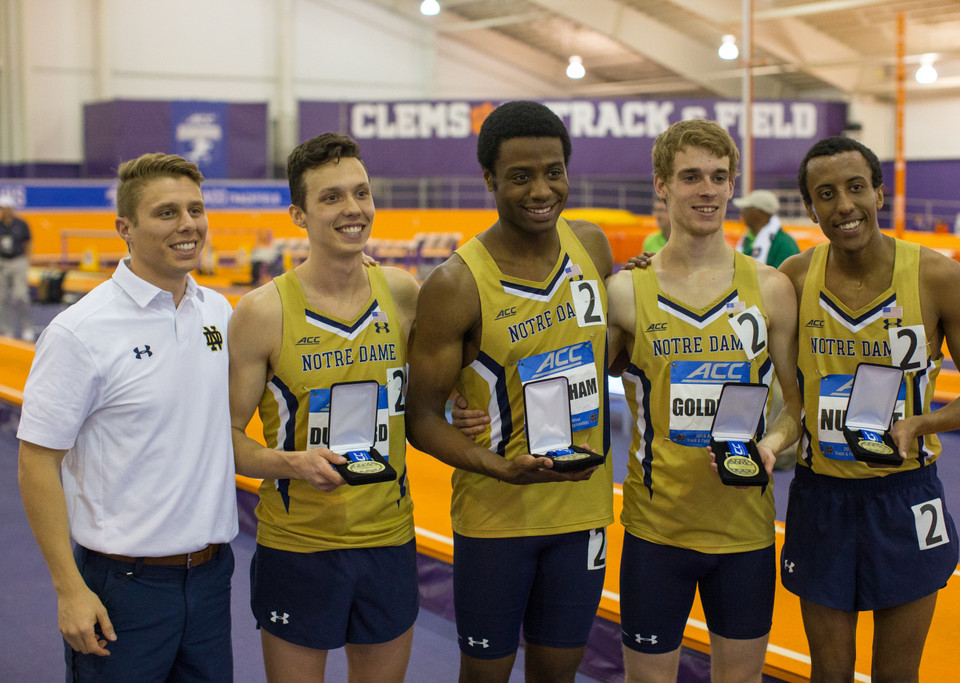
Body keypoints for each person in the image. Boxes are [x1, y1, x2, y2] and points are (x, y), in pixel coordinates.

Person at [405, 100, 614, 683]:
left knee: (559, 673)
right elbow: (419, 417)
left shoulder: (593, 249)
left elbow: (613, 345)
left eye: (554, 172)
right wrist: (494, 465)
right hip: (497, 519)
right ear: (490, 180)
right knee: (486, 675)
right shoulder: (455, 283)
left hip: (583, 510)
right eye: (520, 176)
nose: (541, 189)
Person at [778, 136, 960, 680]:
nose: (844, 206)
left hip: (905, 495)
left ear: (879, 191)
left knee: (896, 676)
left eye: (856, 188)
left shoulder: (937, 276)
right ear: (810, 207)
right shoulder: (794, 278)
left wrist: (923, 422)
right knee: (829, 675)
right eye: (825, 194)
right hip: (821, 494)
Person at [17, 153, 237, 681]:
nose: (188, 224)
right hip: (124, 588)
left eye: (196, 209)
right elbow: (36, 464)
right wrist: (70, 587)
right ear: (125, 228)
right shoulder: (79, 332)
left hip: (211, 578)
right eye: (166, 213)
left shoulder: (220, 313)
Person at [606, 119, 801, 682]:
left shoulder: (770, 288)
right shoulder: (627, 291)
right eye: (690, 176)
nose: (707, 190)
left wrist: (770, 443)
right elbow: (580, 386)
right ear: (662, 185)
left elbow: (799, 402)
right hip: (654, 532)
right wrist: (466, 400)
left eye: (719, 176)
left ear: (733, 183)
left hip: (745, 531)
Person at [228, 132, 420, 683]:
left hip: (389, 538)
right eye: (332, 197)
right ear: (298, 214)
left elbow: (444, 389)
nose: (353, 209)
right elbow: (227, 438)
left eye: (361, 193)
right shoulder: (262, 312)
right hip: (300, 545)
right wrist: (294, 463)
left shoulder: (403, 294)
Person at [734, 189, 800, 269]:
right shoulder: (747, 238)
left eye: (746, 209)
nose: (742, 213)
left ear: (760, 213)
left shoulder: (785, 244)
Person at [0, 197, 34, 341]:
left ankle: (27, 328)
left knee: (21, 296)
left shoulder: (21, 224)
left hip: (18, 261)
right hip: (2, 262)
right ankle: (7, 329)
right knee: (2, 297)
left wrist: (28, 260)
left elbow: (28, 242)